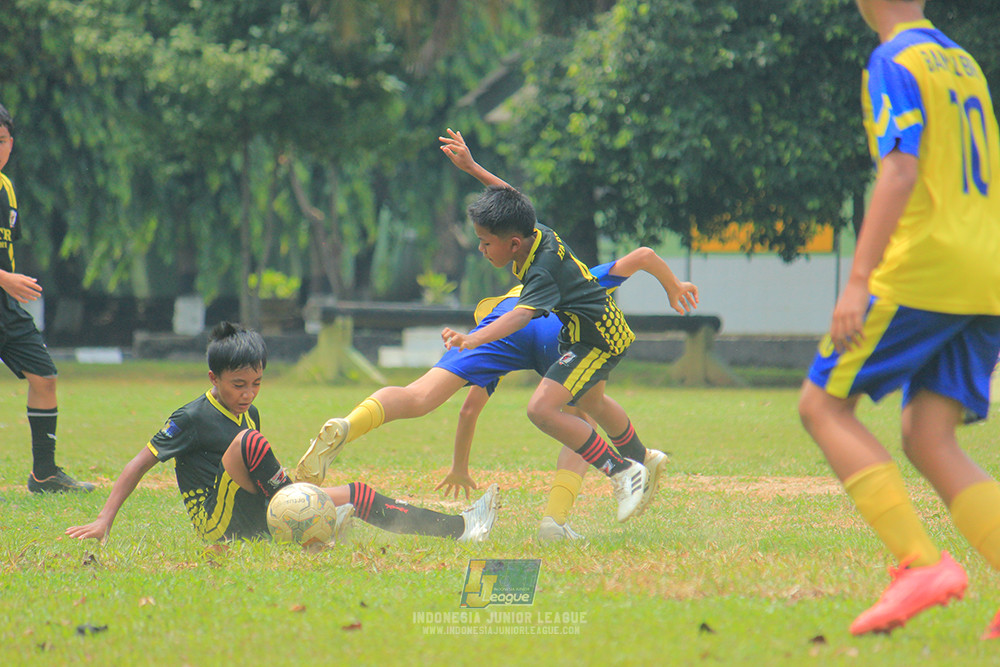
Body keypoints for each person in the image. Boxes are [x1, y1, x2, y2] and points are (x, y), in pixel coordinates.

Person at [298, 132, 666, 526]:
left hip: (533, 330)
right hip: (552, 335)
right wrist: (473, 168)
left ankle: (350, 424)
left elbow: (480, 390)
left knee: (423, 396)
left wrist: (473, 338)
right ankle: (566, 514)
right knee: (584, 410)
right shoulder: (536, 235)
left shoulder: (543, 279)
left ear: (513, 244)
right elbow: (515, 202)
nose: (480, 249)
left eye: (485, 243)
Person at [798, 0, 1000, 638]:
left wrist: (858, 279)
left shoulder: (894, 58)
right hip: (986, 271)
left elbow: (901, 169)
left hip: (927, 266)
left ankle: (920, 565)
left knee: (822, 405)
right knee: (928, 436)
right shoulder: (962, 62)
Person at [65, 322, 499, 545]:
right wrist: (104, 520)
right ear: (214, 378)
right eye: (238, 385)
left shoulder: (250, 412)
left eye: (256, 383)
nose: (248, 394)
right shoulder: (192, 417)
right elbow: (138, 463)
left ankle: (460, 527)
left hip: (254, 510)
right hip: (217, 523)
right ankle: (303, 507)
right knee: (250, 443)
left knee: (358, 494)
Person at [437, 246, 698, 541]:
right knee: (590, 407)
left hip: (572, 349)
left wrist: (459, 467)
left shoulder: (500, 337)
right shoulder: (568, 281)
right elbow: (643, 256)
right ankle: (635, 462)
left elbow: (468, 410)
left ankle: (609, 482)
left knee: (578, 415)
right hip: (580, 346)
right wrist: (674, 286)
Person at [0, 102, 93, 494]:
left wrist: (9, 283)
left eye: (2, 140)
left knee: (44, 377)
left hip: (5, 308)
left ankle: (44, 474)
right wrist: (5, 278)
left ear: (11, 143)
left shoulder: (6, 188)